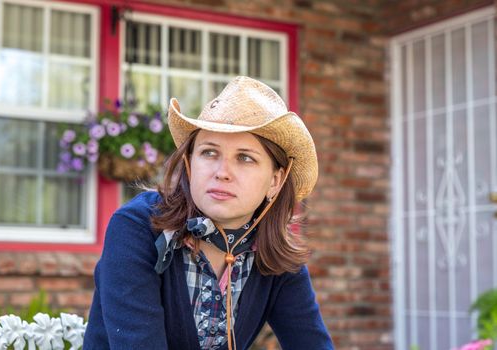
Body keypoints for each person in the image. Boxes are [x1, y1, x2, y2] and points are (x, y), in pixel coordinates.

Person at [83, 76, 334, 350]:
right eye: (209, 152)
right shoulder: (137, 227)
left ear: (275, 180)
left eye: (245, 158)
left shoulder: (274, 255)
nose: (222, 173)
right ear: (190, 163)